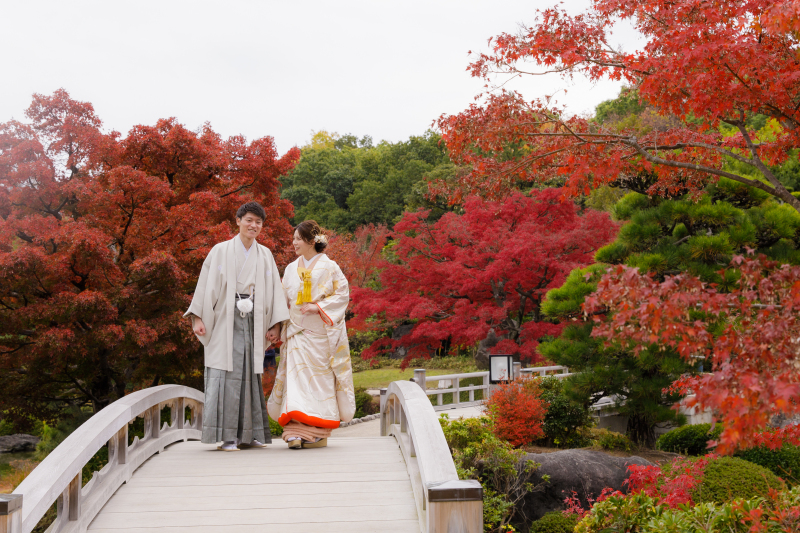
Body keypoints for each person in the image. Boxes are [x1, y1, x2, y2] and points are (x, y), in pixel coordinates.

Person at [185, 201, 290, 451]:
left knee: (251, 373)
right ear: (238, 221)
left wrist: (275, 324)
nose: (254, 226)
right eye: (249, 220)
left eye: (258, 222)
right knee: (226, 374)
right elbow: (205, 285)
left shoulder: (264, 254)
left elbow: (276, 290)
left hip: (254, 318)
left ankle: (249, 435)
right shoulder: (220, 251)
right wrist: (198, 318)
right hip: (224, 317)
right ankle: (227, 437)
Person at [267, 220, 355, 449]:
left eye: (297, 238)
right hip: (296, 334)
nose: (293, 242)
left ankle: (316, 431)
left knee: (319, 383)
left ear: (310, 241)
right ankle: (295, 432)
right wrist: (276, 327)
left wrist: (319, 307)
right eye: (294, 238)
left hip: (320, 336)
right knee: (295, 382)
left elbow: (342, 294)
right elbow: (281, 301)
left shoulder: (330, 267)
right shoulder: (289, 269)